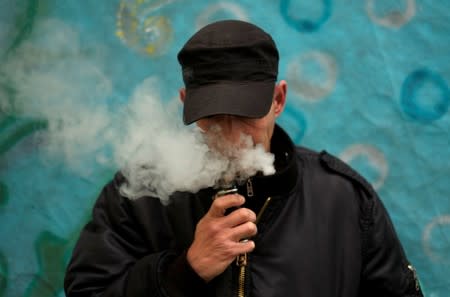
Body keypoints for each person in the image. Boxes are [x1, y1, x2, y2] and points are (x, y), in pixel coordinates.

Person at [64, 20, 423, 297]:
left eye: (246, 116)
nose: (232, 138)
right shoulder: (141, 193)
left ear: (278, 100)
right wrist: (182, 272)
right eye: (214, 118)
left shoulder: (344, 199)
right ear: (185, 101)